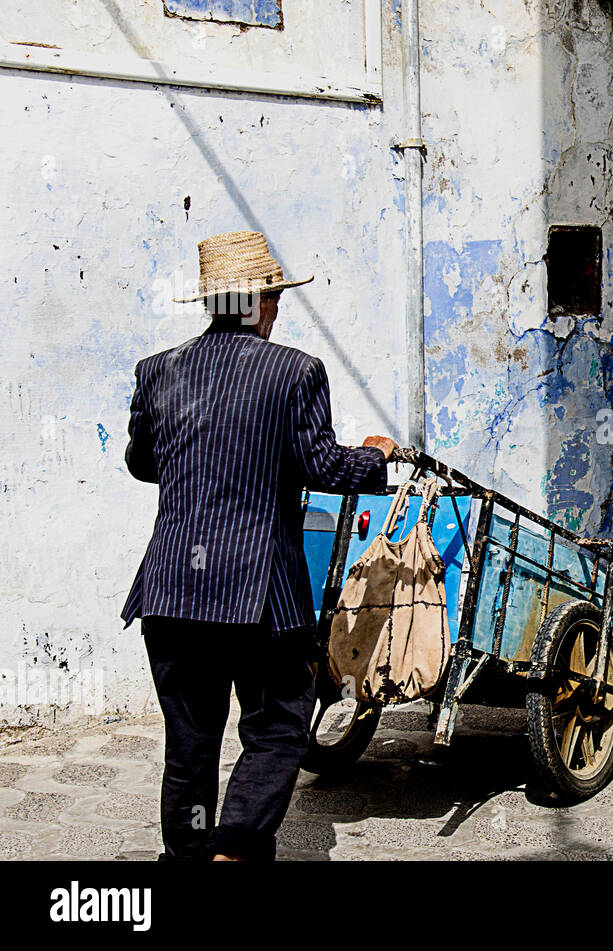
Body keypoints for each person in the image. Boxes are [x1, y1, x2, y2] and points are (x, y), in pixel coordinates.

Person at [121, 230, 398, 861]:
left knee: (190, 739)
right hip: (258, 595)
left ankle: (189, 850)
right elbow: (324, 467)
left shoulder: (157, 372)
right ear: (264, 302)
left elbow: (144, 462)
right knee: (278, 724)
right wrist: (373, 457)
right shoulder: (295, 372)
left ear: (213, 302)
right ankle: (237, 845)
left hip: (172, 590)